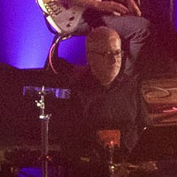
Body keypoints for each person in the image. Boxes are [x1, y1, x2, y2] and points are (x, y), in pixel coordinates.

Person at [59, 23, 145, 158]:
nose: (114, 60)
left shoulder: (130, 85)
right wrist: (99, 138)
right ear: (90, 58)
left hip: (128, 163)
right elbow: (69, 139)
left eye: (117, 53)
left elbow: (143, 126)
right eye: (108, 54)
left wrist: (124, 139)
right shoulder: (77, 91)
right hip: (90, 167)